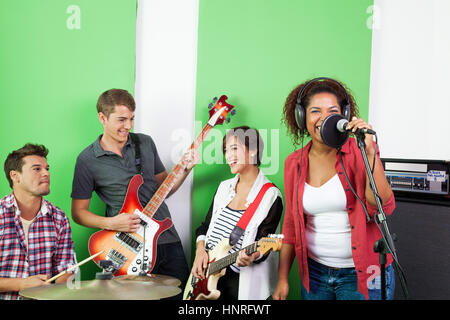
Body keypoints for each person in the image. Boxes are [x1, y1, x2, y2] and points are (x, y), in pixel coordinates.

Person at [273, 77, 396, 300]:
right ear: (302, 118)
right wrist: (282, 279)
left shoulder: (360, 150)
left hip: (362, 275)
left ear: (344, 116)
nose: (324, 117)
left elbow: (382, 207)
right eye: (315, 111)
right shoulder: (294, 162)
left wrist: (369, 153)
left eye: (332, 110)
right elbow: (291, 224)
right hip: (316, 275)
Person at [71, 89, 196, 292]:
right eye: (121, 119)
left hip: (167, 240)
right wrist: (110, 222)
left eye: (131, 119)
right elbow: (78, 213)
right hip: (127, 248)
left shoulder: (145, 143)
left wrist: (185, 170)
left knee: (182, 297)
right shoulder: (87, 160)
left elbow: (164, 190)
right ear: (102, 118)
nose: (128, 126)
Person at [192, 126, 283, 300]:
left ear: (254, 150)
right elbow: (204, 227)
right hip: (206, 277)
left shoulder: (271, 195)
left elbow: (264, 244)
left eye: (234, 149)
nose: (228, 156)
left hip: (240, 284)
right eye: (226, 150)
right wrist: (199, 252)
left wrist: (252, 256)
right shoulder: (224, 188)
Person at [0, 144, 77, 300]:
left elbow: (66, 270)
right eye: (37, 169)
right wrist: (21, 284)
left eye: (47, 169)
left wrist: (59, 291)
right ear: (15, 176)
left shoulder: (59, 218)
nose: (46, 174)